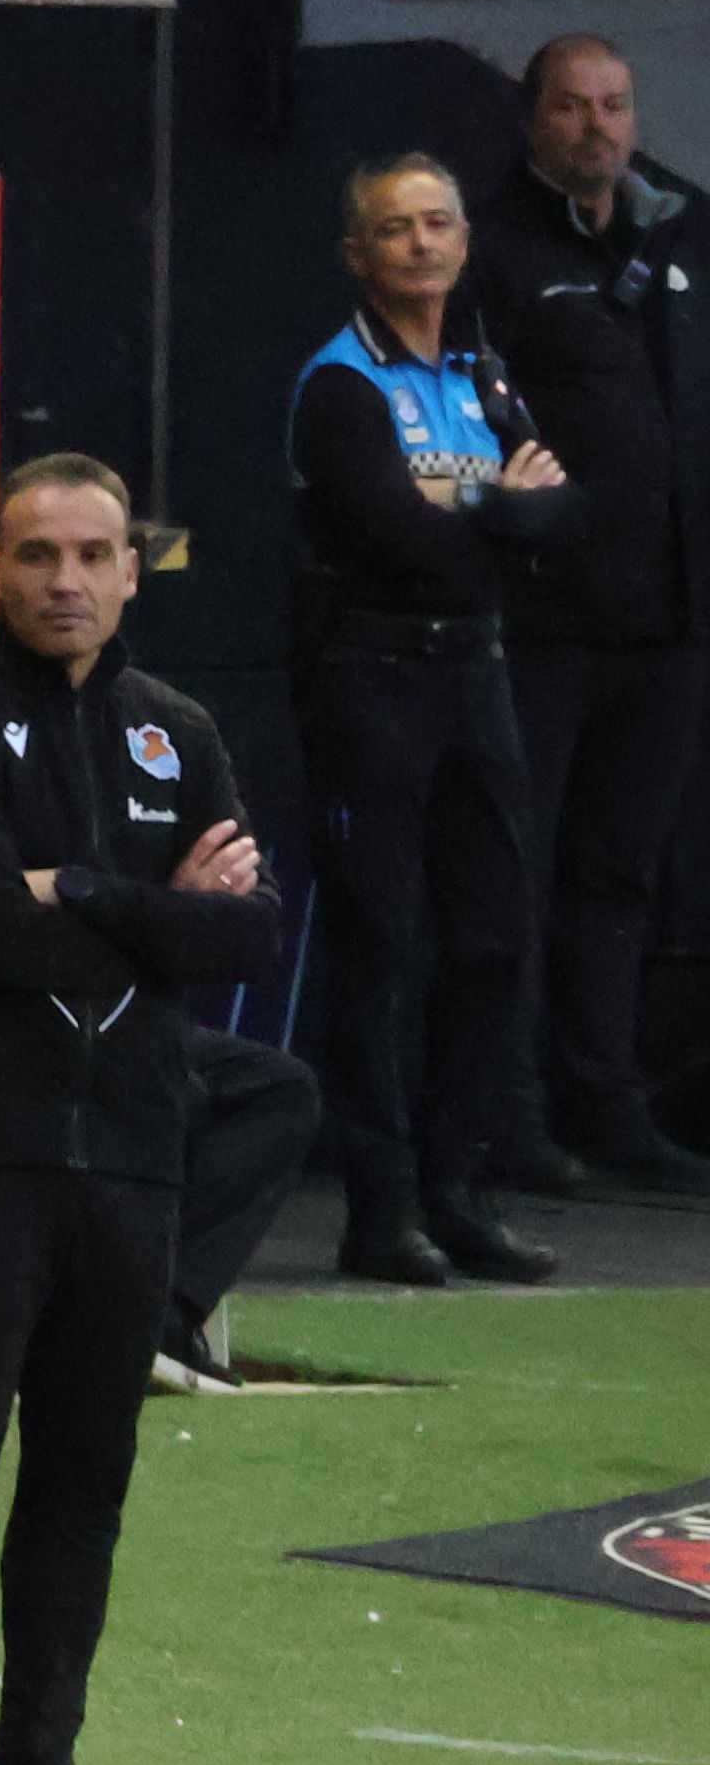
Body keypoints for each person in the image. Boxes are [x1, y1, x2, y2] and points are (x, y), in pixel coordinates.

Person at [0, 454, 284, 1765]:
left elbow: (247, 937)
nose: (65, 580)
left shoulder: (178, 731)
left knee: (87, 1469)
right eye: (37, 554)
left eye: (93, 554)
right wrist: (152, 916)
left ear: (128, 569)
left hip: (131, 1151)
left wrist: (93, 898)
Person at [291, 155, 578, 1285]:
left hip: (479, 679)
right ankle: (384, 1207)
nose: (420, 244)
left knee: (495, 937)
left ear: (465, 240)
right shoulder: (339, 385)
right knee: (381, 943)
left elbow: (571, 514)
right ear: (359, 254)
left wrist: (490, 518)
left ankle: (464, 1194)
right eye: (395, 229)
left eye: (438, 223)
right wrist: (500, 513)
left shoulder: (485, 371)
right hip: (373, 678)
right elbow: (398, 542)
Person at [478, 34, 710, 1196]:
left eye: (615, 106)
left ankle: (606, 1099)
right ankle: (505, 1110)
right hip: (544, 616)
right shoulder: (493, 249)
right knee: (518, 868)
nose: (598, 128)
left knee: (621, 871)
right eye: (573, 108)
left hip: (670, 616)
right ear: (535, 120)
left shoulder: (680, 235)